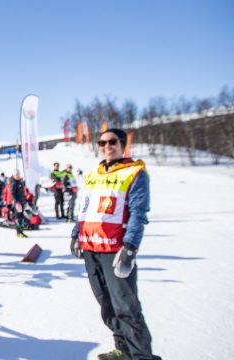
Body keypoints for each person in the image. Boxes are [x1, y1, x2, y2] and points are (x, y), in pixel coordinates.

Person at [70, 128, 159, 360]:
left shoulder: (134, 172)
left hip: (115, 250)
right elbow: (85, 207)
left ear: (122, 144)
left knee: (126, 308)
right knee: (107, 305)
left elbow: (139, 212)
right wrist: (75, 234)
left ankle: (142, 356)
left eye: (112, 142)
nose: (107, 146)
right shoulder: (94, 174)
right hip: (91, 248)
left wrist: (130, 246)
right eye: (102, 142)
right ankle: (123, 350)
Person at [9, 171, 29, 238]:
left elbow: (23, 193)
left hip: (22, 202)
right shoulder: (14, 183)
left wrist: (25, 201)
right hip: (17, 204)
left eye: (19, 175)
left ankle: (21, 231)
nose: (18, 176)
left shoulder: (20, 182)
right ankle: (19, 232)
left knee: (21, 217)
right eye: (17, 175)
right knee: (18, 218)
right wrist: (16, 202)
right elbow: (12, 194)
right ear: (14, 176)